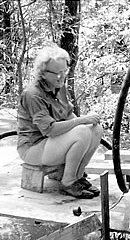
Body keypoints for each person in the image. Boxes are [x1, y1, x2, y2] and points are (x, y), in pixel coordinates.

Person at [17, 45, 103, 199]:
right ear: (42, 73)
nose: (61, 76)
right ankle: (68, 182)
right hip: (33, 148)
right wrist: (81, 121)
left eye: (64, 71)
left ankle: (77, 176)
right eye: (56, 73)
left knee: (96, 129)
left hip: (51, 144)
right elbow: (51, 130)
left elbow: (69, 115)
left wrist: (87, 124)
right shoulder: (33, 94)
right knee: (82, 130)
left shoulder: (59, 87)